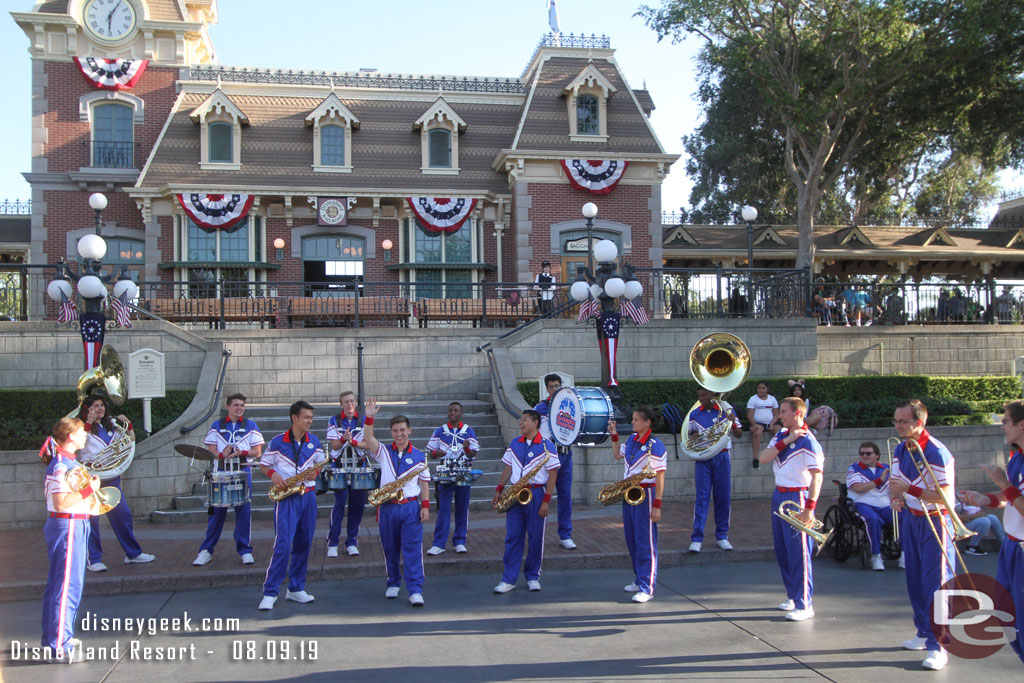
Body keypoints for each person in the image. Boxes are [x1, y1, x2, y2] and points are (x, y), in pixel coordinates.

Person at [888, 399, 955, 671]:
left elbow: (945, 497)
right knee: (914, 580)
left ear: (920, 422)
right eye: (896, 421)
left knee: (935, 586)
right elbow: (895, 484)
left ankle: (940, 644)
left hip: (936, 522)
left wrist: (910, 490)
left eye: (903, 421)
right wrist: (896, 498)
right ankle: (923, 632)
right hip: (912, 520)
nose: (898, 426)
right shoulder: (901, 448)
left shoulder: (937, 452)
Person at [959, 399, 1024, 664]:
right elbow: (1011, 497)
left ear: (1022, 424)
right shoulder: (1017, 457)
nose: (1002, 426)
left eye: (1006, 421)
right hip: (1011, 546)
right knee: (1005, 614)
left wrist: (1003, 483)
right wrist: (985, 498)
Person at [758, 396, 824, 623]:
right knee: (783, 549)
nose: (780, 415)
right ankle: (793, 597)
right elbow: (763, 458)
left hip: (797, 494)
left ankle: (805, 603)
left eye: (784, 412)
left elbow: (817, 476)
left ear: (797, 413)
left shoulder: (810, 442)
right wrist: (786, 441)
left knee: (799, 552)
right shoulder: (780, 435)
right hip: (779, 494)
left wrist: (810, 508)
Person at [361, 398, 431, 606]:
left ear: (410, 431)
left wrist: (425, 506)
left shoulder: (419, 456)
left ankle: (415, 589)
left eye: (402, 430)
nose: (399, 434)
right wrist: (369, 416)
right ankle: (393, 582)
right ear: (391, 432)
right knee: (389, 548)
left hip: (410, 507)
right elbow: (368, 437)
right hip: (388, 507)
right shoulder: (383, 452)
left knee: (412, 549)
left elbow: (425, 483)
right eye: (395, 431)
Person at [258, 401, 324, 611]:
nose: (309, 421)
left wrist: (316, 472)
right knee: (284, 545)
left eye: (311, 418)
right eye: (306, 417)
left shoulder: (314, 440)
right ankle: (270, 591)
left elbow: (319, 464)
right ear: (294, 418)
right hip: (287, 497)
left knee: (304, 544)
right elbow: (263, 464)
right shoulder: (278, 442)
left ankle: (296, 588)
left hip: (308, 496)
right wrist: (273, 474)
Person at [76, 395, 154, 571]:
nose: (99, 409)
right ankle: (94, 559)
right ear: (87, 408)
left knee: (123, 515)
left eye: (102, 405)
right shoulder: (80, 426)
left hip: (111, 477)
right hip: (90, 478)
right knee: (92, 520)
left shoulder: (111, 424)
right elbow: (79, 446)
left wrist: (129, 426)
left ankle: (133, 554)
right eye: (95, 406)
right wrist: (88, 422)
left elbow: (130, 440)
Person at [40, 417, 94, 662]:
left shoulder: (67, 462)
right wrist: (88, 490)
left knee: (61, 585)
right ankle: (59, 644)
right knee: (66, 587)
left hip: (73, 523)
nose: (85, 436)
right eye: (81, 432)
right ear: (70, 436)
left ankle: (56, 636)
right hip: (68, 524)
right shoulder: (62, 465)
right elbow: (62, 502)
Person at [492, 409, 560, 594]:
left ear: (535, 423)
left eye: (524, 421)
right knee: (513, 537)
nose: (521, 424)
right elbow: (508, 467)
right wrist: (499, 488)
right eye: (520, 421)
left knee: (536, 537)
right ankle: (509, 579)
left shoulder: (547, 446)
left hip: (536, 494)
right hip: (515, 494)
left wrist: (546, 501)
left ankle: (533, 576)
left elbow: (553, 475)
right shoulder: (515, 443)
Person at [193, 393, 263, 567]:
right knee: (216, 513)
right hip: (222, 473)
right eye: (236, 405)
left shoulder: (250, 425)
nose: (239, 408)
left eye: (242, 405)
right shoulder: (217, 425)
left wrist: (241, 453)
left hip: (242, 472)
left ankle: (245, 550)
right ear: (228, 407)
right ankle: (206, 550)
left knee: (244, 513)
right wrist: (221, 454)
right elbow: (211, 450)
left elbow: (258, 452)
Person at [607, 405, 667, 602]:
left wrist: (657, 504)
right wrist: (614, 435)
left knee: (645, 541)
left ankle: (647, 586)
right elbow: (617, 455)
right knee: (632, 539)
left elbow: (660, 477)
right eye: (633, 419)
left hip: (646, 493)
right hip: (629, 492)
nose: (632, 422)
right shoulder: (632, 440)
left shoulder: (655, 444)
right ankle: (638, 577)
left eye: (636, 420)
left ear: (647, 422)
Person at [687, 388, 742, 553]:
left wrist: (732, 423)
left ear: (712, 395)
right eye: (699, 396)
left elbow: (739, 433)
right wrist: (694, 437)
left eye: (704, 395)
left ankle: (722, 536)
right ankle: (697, 539)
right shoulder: (695, 413)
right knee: (702, 498)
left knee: (723, 497)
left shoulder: (726, 410)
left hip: (722, 456)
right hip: (703, 458)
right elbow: (690, 435)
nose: (701, 398)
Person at [426, 401, 480, 555]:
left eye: (456, 410)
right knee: (443, 508)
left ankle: (460, 540)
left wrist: (467, 448)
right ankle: (439, 543)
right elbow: (431, 453)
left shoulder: (468, 431)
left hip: (463, 470)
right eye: (450, 411)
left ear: (461, 413)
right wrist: (437, 453)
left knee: (462, 507)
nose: (453, 413)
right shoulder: (440, 431)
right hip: (446, 472)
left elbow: (473, 454)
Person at [535, 373, 576, 549]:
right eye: (551, 386)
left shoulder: (570, 404)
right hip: (548, 456)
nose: (555, 389)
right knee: (541, 495)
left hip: (566, 454)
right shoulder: (540, 408)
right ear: (546, 388)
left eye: (557, 386)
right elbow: (538, 434)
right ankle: (536, 533)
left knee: (565, 495)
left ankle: (565, 535)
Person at [325, 390, 366, 558]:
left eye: (352, 401)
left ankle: (351, 541)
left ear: (356, 403)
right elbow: (334, 446)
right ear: (341, 404)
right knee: (339, 505)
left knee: (357, 506)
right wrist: (343, 439)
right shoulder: (334, 420)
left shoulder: (363, 420)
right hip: (340, 466)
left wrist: (353, 441)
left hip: (359, 466)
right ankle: (333, 542)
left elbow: (368, 444)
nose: (349, 404)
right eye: (346, 402)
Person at [846, 441, 896, 571]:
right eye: (861, 453)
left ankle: (904, 554)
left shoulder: (886, 467)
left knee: (903, 517)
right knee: (873, 520)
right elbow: (858, 488)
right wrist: (879, 480)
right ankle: (876, 556)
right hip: (863, 503)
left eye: (868, 453)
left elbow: (895, 489)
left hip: (885, 505)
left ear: (877, 455)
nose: (864, 456)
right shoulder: (854, 468)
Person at [746, 382, 779, 470]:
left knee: (780, 431)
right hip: (757, 423)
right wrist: (755, 424)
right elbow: (749, 414)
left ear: (767, 389)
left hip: (770, 423)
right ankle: (756, 458)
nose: (761, 390)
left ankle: (781, 453)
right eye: (759, 388)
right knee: (757, 431)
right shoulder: (753, 399)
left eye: (763, 388)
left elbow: (776, 414)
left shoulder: (772, 399)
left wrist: (772, 423)